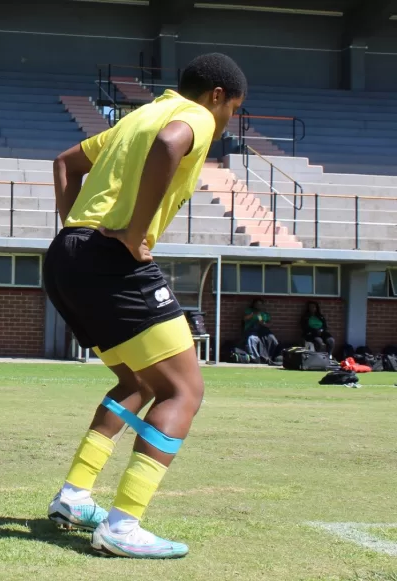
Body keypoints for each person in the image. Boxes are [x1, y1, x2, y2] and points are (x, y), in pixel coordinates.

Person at [44, 53, 246, 558]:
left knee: (137, 383)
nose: (228, 123)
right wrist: (135, 233)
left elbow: (65, 163)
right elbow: (170, 144)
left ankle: (74, 496)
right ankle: (122, 525)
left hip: (68, 256)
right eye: (233, 111)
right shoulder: (194, 115)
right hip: (111, 259)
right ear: (216, 96)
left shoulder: (136, 115)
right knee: (183, 391)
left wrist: (79, 232)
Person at [244, 298, 279, 364]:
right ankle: (255, 358)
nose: (258, 306)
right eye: (257, 304)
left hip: (264, 331)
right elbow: (244, 319)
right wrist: (252, 314)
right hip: (252, 331)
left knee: (273, 340)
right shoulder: (249, 311)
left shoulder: (265, 314)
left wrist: (263, 323)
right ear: (253, 305)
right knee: (251, 339)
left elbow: (270, 324)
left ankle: (271, 357)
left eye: (260, 304)